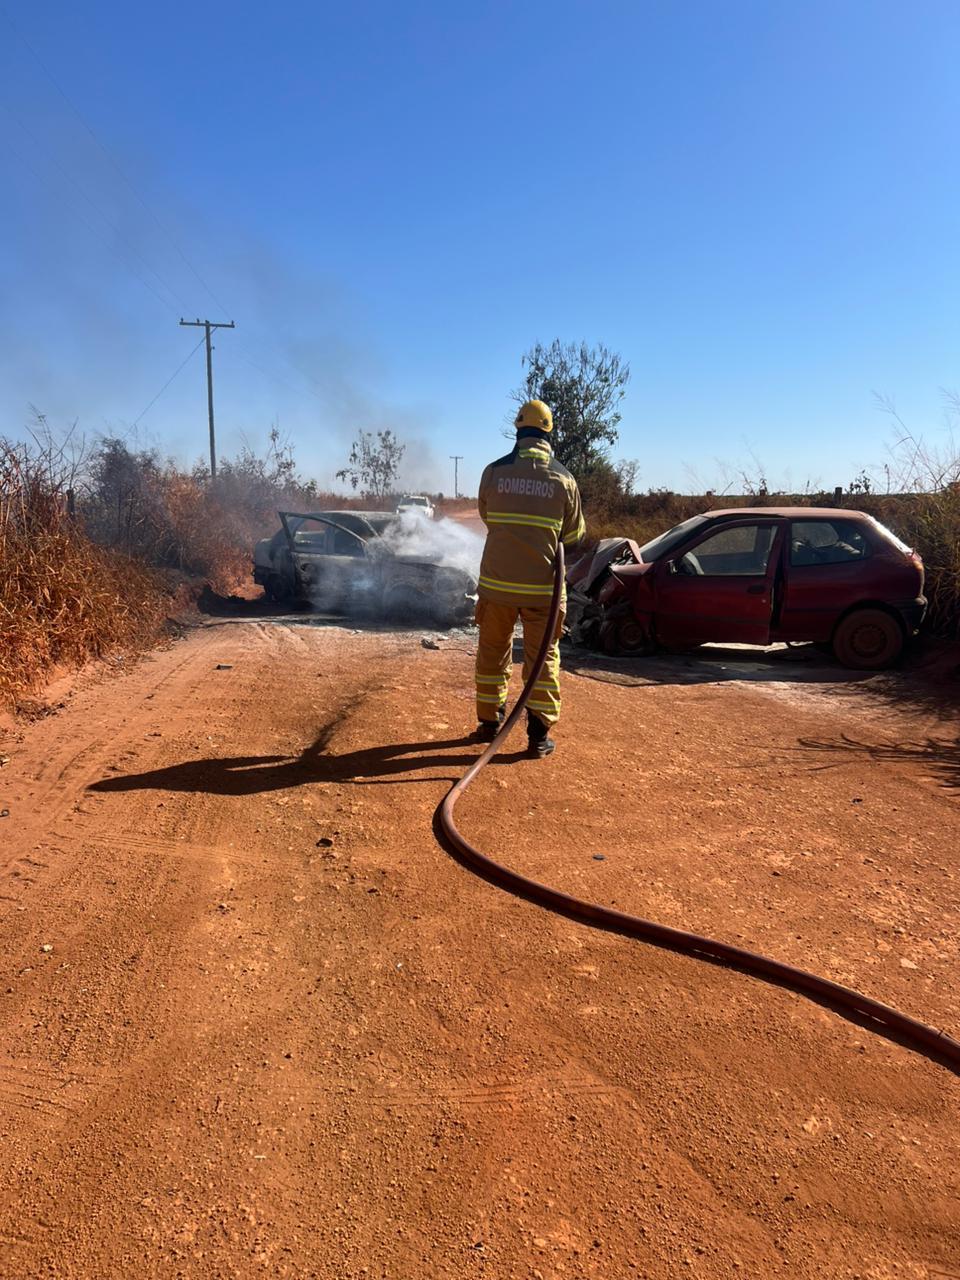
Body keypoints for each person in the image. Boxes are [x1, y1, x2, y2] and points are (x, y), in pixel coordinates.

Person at [474, 399, 585, 757]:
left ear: (518, 430)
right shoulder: (564, 479)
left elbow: (487, 516)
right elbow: (573, 534)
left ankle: (490, 724)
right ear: (549, 432)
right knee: (543, 659)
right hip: (545, 593)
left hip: (497, 586)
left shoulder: (493, 472)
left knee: (493, 653)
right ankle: (538, 737)